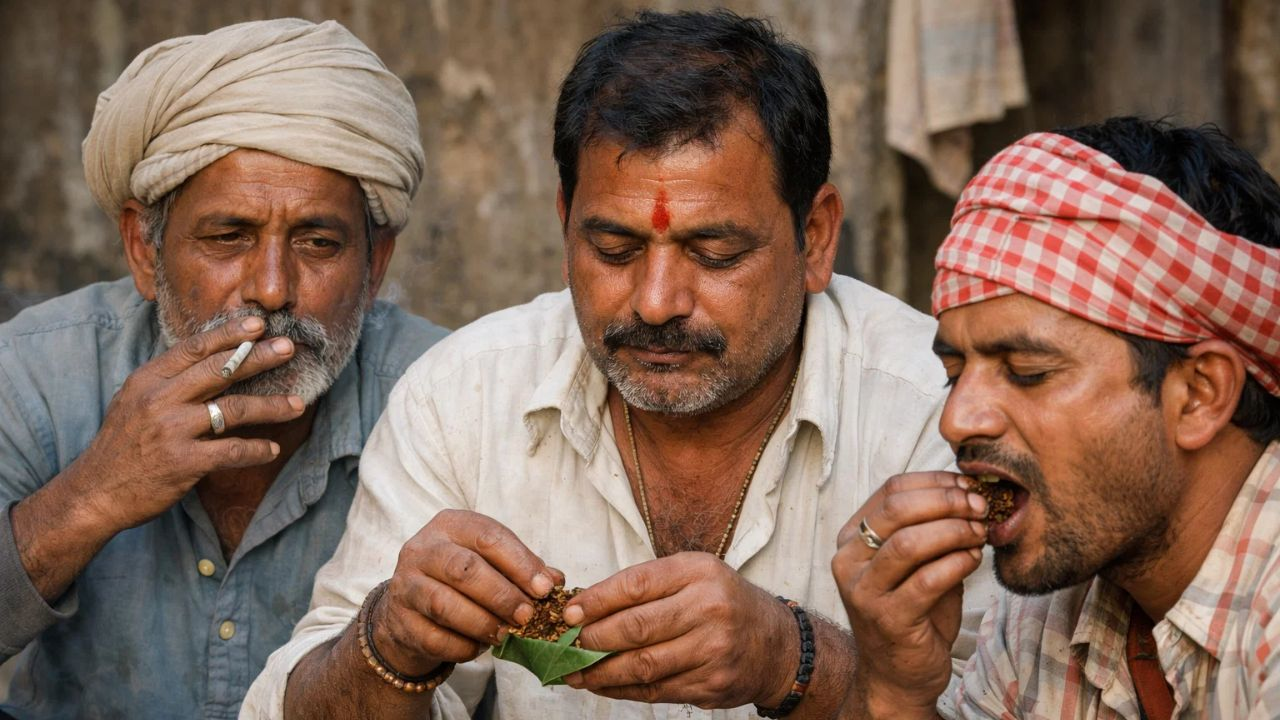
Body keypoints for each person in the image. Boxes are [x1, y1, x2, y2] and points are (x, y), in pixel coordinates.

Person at [245, 9, 996, 719]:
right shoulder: (464, 394)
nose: (658, 301)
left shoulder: (940, 412)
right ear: (564, 219)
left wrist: (791, 659)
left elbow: (1008, 698)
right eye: (614, 250)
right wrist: (390, 642)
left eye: (716, 253)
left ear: (818, 237)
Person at [0, 18, 447, 719]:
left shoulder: (447, 394)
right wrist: (92, 495)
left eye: (318, 241)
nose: (271, 289)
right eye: (227, 237)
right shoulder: (33, 373)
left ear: (375, 263)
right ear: (144, 251)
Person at [832, 117, 1280, 719]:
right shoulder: (1042, 615)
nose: (957, 420)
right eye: (954, 371)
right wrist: (893, 688)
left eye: (1026, 371)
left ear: (1199, 394)